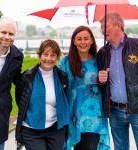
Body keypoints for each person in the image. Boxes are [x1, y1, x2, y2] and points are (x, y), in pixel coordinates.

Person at [58, 25, 110, 150]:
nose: (83, 42)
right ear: (74, 41)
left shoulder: (100, 61)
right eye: (79, 39)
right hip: (72, 115)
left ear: (92, 40)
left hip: (94, 117)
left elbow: (107, 86)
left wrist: (103, 80)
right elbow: (57, 86)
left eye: (86, 38)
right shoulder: (65, 62)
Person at [15, 39, 70, 150]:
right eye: (45, 54)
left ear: (57, 57)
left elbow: (64, 99)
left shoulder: (62, 77)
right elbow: (21, 99)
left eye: (53, 55)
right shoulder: (27, 76)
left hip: (56, 129)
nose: (48, 58)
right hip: (31, 130)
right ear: (39, 55)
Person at [97, 12, 138, 150]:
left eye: (105, 26)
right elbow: (101, 85)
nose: (102, 29)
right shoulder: (102, 53)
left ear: (118, 25)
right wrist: (100, 80)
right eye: (101, 27)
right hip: (115, 111)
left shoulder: (136, 45)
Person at [0, 17, 23, 150]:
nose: (7, 37)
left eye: (11, 34)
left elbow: (18, 80)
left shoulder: (17, 56)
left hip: (0, 112)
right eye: (3, 32)